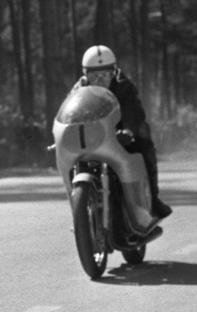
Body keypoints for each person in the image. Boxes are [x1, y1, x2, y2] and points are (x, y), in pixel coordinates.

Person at [74, 45, 172, 219]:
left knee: (144, 146)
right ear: (85, 74)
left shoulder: (123, 86)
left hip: (119, 134)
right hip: (92, 137)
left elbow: (133, 109)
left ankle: (153, 200)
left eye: (105, 74)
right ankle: (79, 207)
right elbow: (70, 113)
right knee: (74, 158)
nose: (100, 80)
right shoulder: (78, 90)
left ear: (114, 72)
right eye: (94, 75)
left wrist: (128, 130)